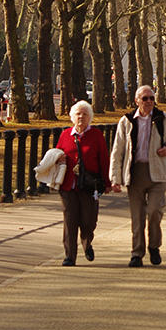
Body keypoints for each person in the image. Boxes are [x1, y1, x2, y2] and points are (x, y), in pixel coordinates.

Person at [110, 85, 166, 267]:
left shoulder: (163, 119)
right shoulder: (126, 121)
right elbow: (117, 151)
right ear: (137, 101)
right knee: (137, 216)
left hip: (157, 172)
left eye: (151, 98)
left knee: (154, 210)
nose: (149, 102)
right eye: (145, 98)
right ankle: (137, 253)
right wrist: (115, 179)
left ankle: (154, 246)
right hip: (135, 173)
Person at [54, 100, 110, 266]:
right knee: (70, 220)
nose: (81, 117)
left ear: (89, 118)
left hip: (89, 185)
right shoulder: (65, 135)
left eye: (85, 114)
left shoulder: (97, 135)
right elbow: (56, 155)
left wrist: (107, 183)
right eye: (78, 114)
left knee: (88, 220)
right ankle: (70, 255)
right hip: (68, 185)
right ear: (72, 117)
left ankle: (87, 243)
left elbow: (104, 160)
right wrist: (59, 158)